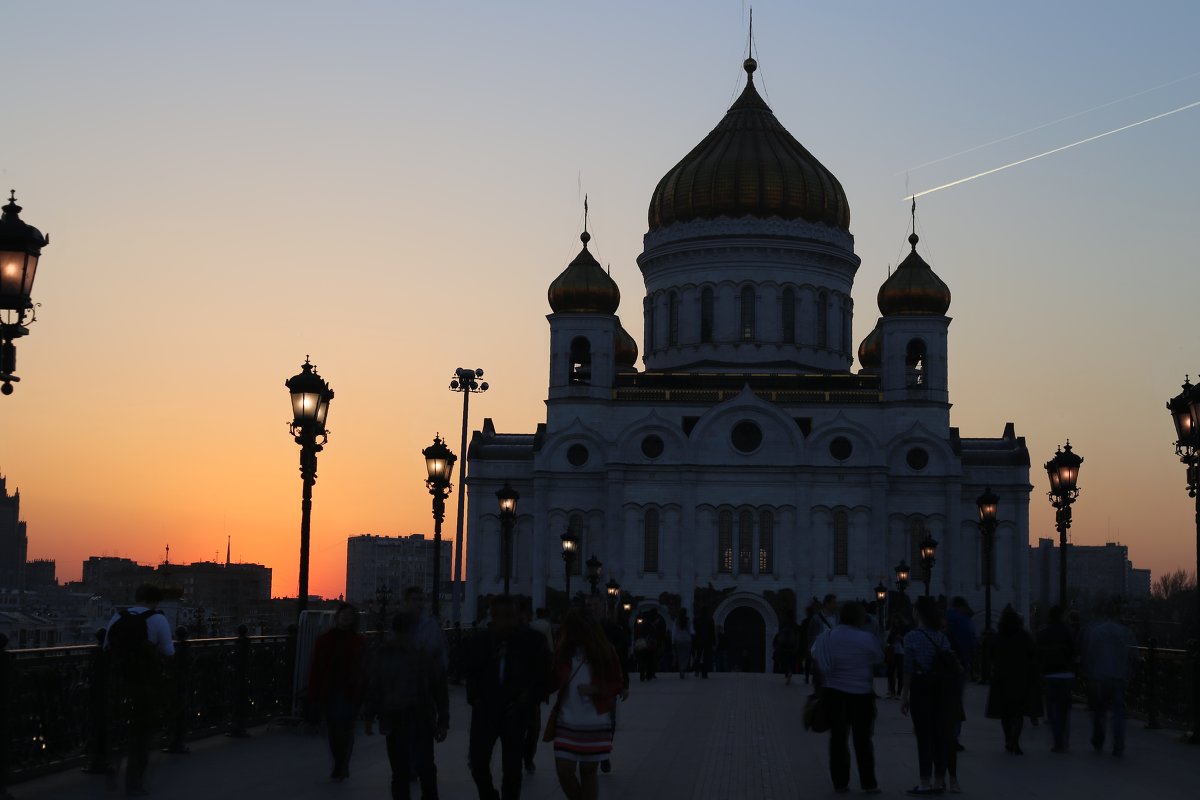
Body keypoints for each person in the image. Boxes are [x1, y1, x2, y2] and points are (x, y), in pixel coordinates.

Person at [464, 595, 550, 800]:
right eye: (499, 616)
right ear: (492, 617)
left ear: (517, 616)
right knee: (478, 763)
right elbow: (470, 672)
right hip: (485, 712)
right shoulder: (479, 641)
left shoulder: (532, 641)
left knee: (512, 769)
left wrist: (528, 700)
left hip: (516, 712)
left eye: (509, 616)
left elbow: (542, 674)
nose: (504, 621)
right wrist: (475, 699)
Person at [365, 611, 449, 800]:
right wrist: (443, 720)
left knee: (404, 771)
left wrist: (370, 715)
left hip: (403, 717)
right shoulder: (422, 655)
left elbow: (375, 686)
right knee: (421, 768)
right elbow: (439, 690)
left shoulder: (386, 653)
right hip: (414, 717)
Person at [104, 583, 175, 797]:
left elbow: (106, 647)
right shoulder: (157, 619)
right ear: (155, 601)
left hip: (117, 683)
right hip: (144, 686)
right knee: (142, 734)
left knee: (117, 729)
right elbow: (169, 652)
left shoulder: (118, 617)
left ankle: (110, 766)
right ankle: (134, 782)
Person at [550, 609, 624, 800]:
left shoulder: (604, 652)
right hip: (567, 721)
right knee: (564, 772)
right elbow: (552, 680)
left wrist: (597, 689)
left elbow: (617, 682)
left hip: (594, 721)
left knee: (588, 772)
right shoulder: (563, 652)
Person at [817, 602, 883, 795]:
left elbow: (815, 653)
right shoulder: (867, 638)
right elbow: (878, 658)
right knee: (863, 740)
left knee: (838, 739)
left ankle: (840, 782)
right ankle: (868, 783)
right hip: (861, 694)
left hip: (834, 693)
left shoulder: (828, 636)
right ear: (860, 619)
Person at [900, 597, 960, 796]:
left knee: (923, 736)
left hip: (921, 688)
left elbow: (908, 670)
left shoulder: (911, 637)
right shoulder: (940, 637)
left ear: (918, 613)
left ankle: (924, 781)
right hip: (941, 690)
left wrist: (904, 696)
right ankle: (939, 780)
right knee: (940, 735)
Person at [309, 602, 369, 781]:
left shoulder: (359, 642)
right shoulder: (324, 640)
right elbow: (316, 667)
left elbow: (364, 668)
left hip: (351, 691)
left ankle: (341, 765)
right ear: (337, 617)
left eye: (350, 615)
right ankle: (340, 761)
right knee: (334, 730)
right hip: (331, 690)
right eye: (343, 614)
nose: (346, 617)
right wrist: (314, 692)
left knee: (346, 728)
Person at [1081, 603, 1136, 756]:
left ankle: (1098, 739)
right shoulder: (1125, 632)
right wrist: (1129, 673)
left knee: (1099, 710)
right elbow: (1133, 654)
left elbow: (1090, 654)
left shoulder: (1097, 632)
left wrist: (1090, 673)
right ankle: (1118, 744)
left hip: (1100, 676)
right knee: (1118, 712)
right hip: (1119, 676)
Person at [986, 608, 1037, 754]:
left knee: (1005, 713)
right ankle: (1015, 741)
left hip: (1002, 678)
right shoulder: (1024, 636)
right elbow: (1032, 655)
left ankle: (1008, 739)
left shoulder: (998, 637)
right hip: (1020, 678)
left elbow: (992, 655)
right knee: (1018, 713)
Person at [1035, 604, 1077, 752]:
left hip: (1050, 674)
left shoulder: (1043, 632)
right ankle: (1063, 741)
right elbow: (1074, 651)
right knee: (1064, 710)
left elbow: (1037, 653)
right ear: (1061, 616)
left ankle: (1057, 741)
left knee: (1053, 708)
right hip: (1066, 674)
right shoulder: (1068, 631)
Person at [945, 597, 977, 751]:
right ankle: (953, 737)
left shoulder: (942, 618)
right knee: (956, 703)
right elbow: (970, 644)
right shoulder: (965, 621)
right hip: (958, 667)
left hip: (938, 667)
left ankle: (940, 735)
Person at [808, 595, 838, 688]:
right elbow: (810, 635)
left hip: (833, 650)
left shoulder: (837, 618)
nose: (835, 605)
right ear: (827, 604)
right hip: (820, 649)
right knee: (820, 674)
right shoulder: (816, 619)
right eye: (833, 603)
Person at [774, 612, 801, 685]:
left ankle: (786, 673)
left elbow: (779, 634)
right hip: (792, 645)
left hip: (783, 645)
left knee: (784, 660)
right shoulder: (794, 624)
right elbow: (797, 635)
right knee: (791, 660)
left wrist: (777, 644)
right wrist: (797, 646)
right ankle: (790, 672)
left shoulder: (784, 623)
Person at [885, 613, 907, 699]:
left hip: (901, 652)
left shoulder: (904, 629)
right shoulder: (891, 629)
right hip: (892, 651)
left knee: (900, 673)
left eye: (897, 620)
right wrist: (893, 639)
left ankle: (898, 692)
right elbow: (887, 641)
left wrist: (901, 638)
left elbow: (907, 640)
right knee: (890, 672)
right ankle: (892, 691)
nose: (896, 622)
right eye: (895, 620)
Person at [693, 608, 715, 678]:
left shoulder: (697, 619)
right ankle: (704, 673)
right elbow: (712, 631)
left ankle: (696, 670)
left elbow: (695, 629)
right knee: (706, 656)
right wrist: (714, 642)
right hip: (708, 640)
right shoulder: (710, 619)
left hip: (699, 639)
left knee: (698, 655)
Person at [671, 609, 692, 679]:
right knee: (686, 656)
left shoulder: (677, 620)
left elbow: (674, 631)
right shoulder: (688, 620)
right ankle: (684, 669)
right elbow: (690, 630)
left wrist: (673, 641)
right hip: (687, 640)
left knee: (679, 657)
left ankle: (681, 671)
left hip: (678, 639)